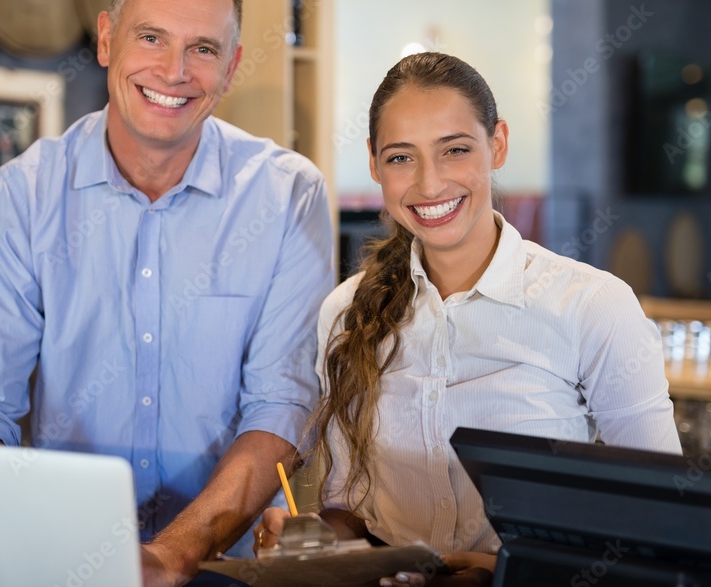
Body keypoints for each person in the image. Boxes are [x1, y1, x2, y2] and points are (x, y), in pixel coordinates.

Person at [0, 0, 334, 586]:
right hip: (57, 562)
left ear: (230, 67)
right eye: (151, 37)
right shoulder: (22, 196)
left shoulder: (289, 197)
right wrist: (7, 536)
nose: (174, 71)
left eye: (203, 48)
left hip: (227, 569)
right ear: (106, 40)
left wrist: (174, 554)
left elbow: (281, 404)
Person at [254, 52, 680, 585]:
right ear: (374, 164)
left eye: (455, 150)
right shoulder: (345, 311)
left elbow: (662, 518)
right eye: (401, 157)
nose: (430, 184)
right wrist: (309, 540)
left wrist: (505, 569)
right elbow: (353, 515)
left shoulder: (593, 305)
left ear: (497, 144)